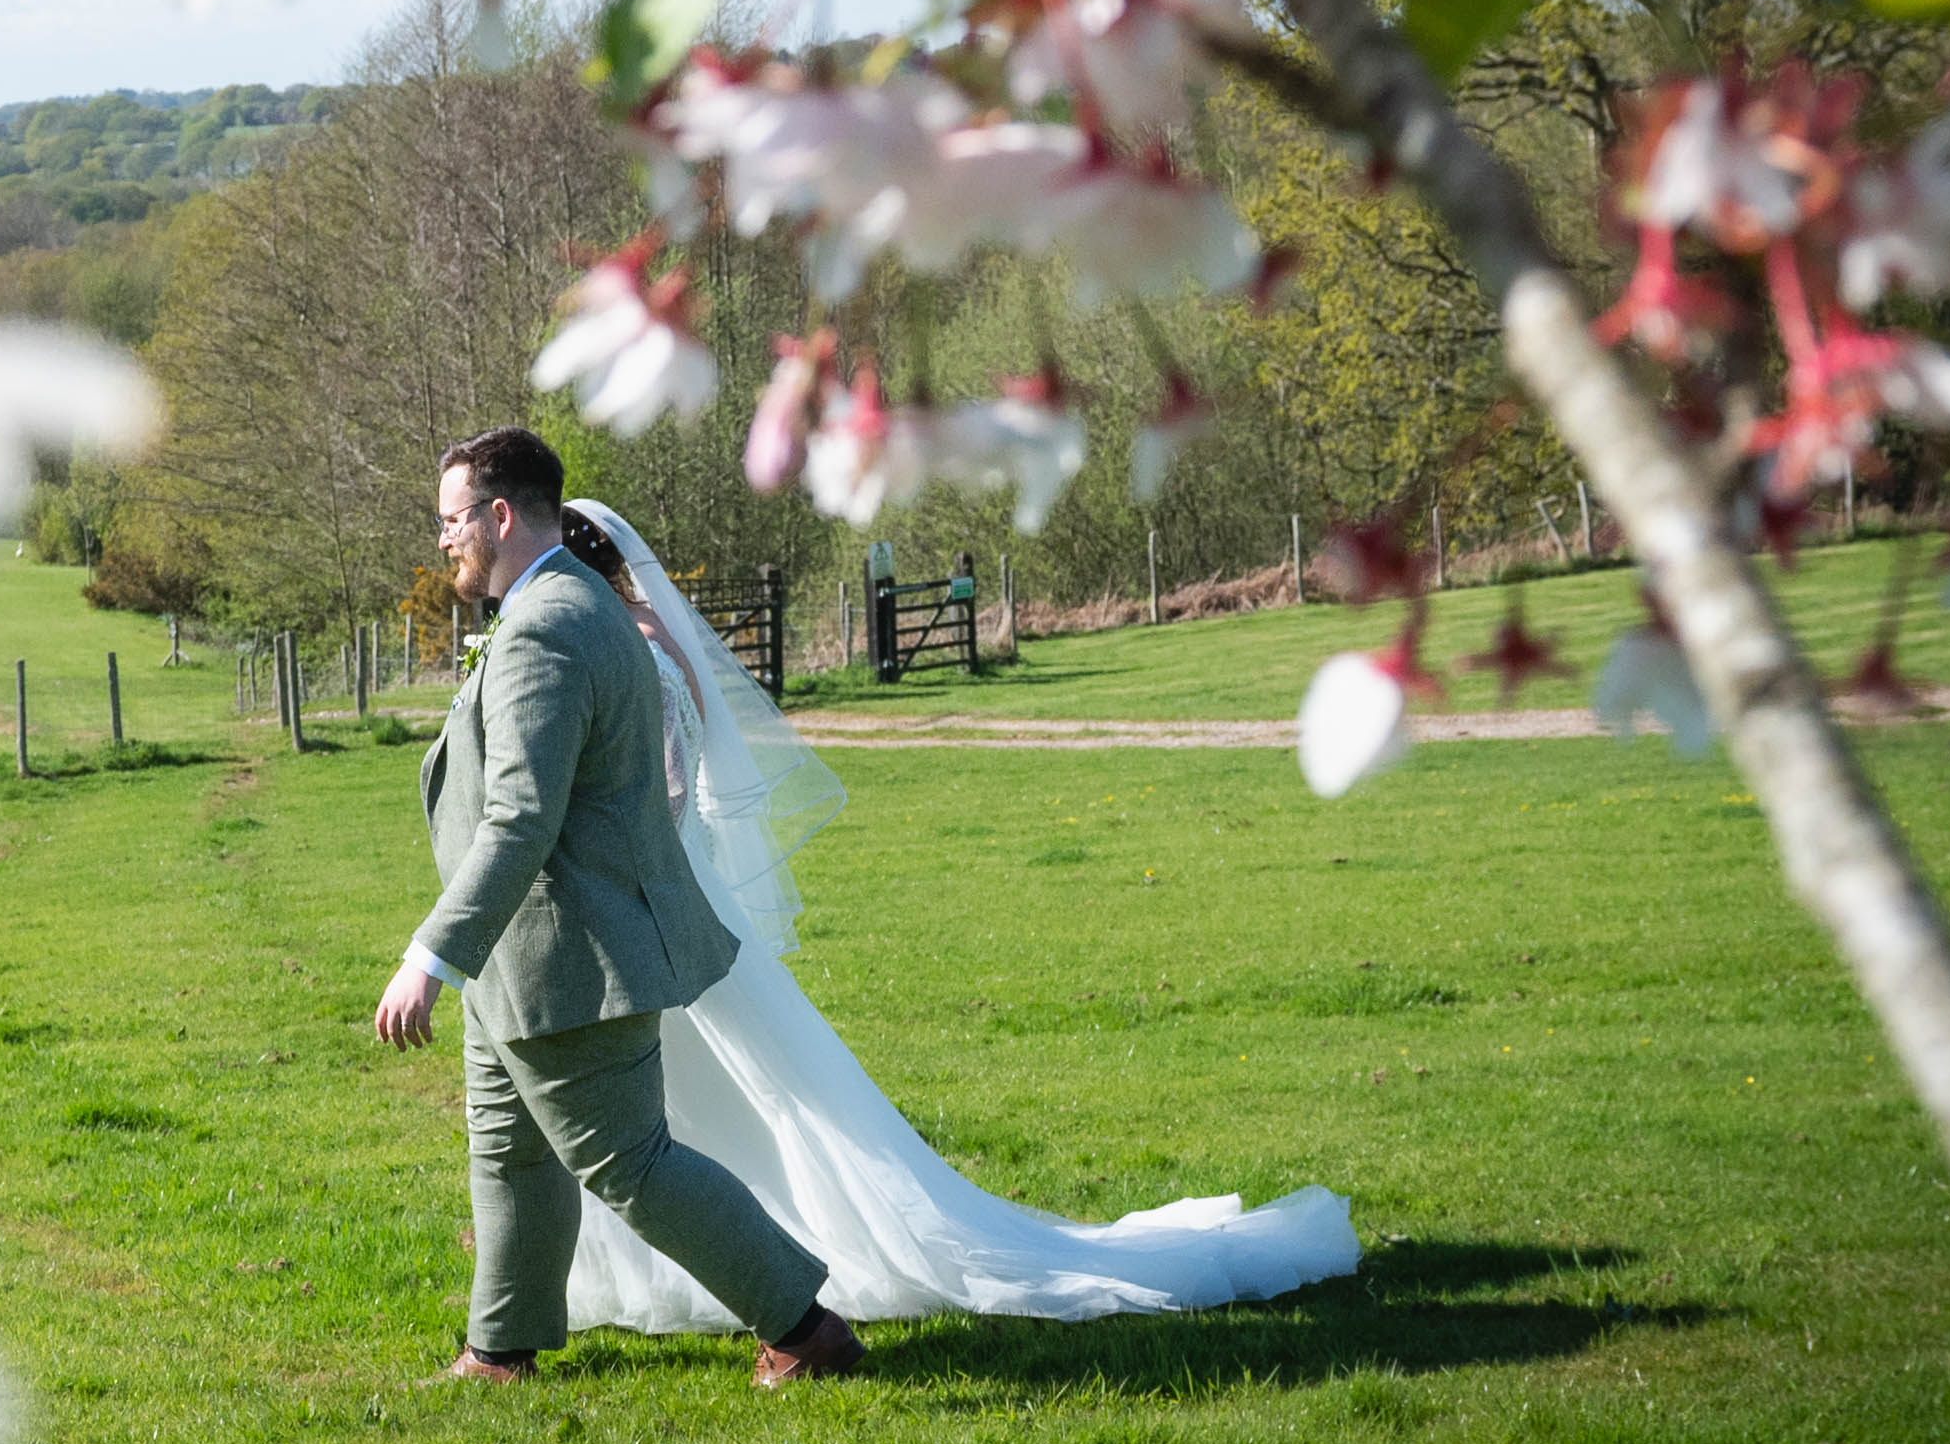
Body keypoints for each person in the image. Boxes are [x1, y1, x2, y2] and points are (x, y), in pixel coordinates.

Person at [549, 493, 1358, 1338]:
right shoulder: (656, 634)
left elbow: (669, 787)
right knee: (694, 1093)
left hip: (655, 896)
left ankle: (773, 1260)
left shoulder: (631, 647)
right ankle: (667, 1268)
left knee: (724, 1091)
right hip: (674, 890)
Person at [375, 428, 866, 1387]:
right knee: (510, 1151)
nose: (442, 542)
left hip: (568, 953)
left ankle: (807, 1332)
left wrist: (429, 957)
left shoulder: (547, 628)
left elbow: (520, 820)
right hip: (517, 957)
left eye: (449, 521)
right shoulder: (571, 604)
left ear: (500, 514)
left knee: (628, 1164)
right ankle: (499, 1350)